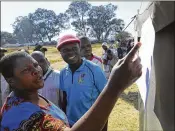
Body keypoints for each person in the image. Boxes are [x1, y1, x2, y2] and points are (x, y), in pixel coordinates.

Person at [0, 42, 142, 131]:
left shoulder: (34, 96)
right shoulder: (22, 114)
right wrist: (115, 86)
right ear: (11, 81)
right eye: (26, 70)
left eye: (36, 65)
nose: (36, 71)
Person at [56, 34, 108, 128]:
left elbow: (106, 99)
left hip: (92, 123)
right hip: (72, 124)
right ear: (60, 53)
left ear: (79, 49)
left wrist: (103, 126)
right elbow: (65, 99)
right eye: (65, 50)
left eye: (74, 48)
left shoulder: (94, 69)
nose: (71, 53)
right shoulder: (63, 73)